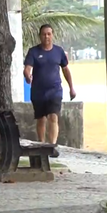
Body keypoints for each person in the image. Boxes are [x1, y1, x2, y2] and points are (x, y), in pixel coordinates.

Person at [23, 24, 76, 157]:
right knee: (41, 119)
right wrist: (27, 75)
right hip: (38, 92)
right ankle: (42, 145)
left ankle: (51, 146)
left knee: (53, 116)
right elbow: (27, 68)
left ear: (52, 35)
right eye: (44, 34)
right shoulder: (33, 52)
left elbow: (65, 69)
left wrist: (71, 88)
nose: (46, 36)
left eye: (49, 34)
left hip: (55, 90)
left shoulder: (58, 51)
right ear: (40, 36)